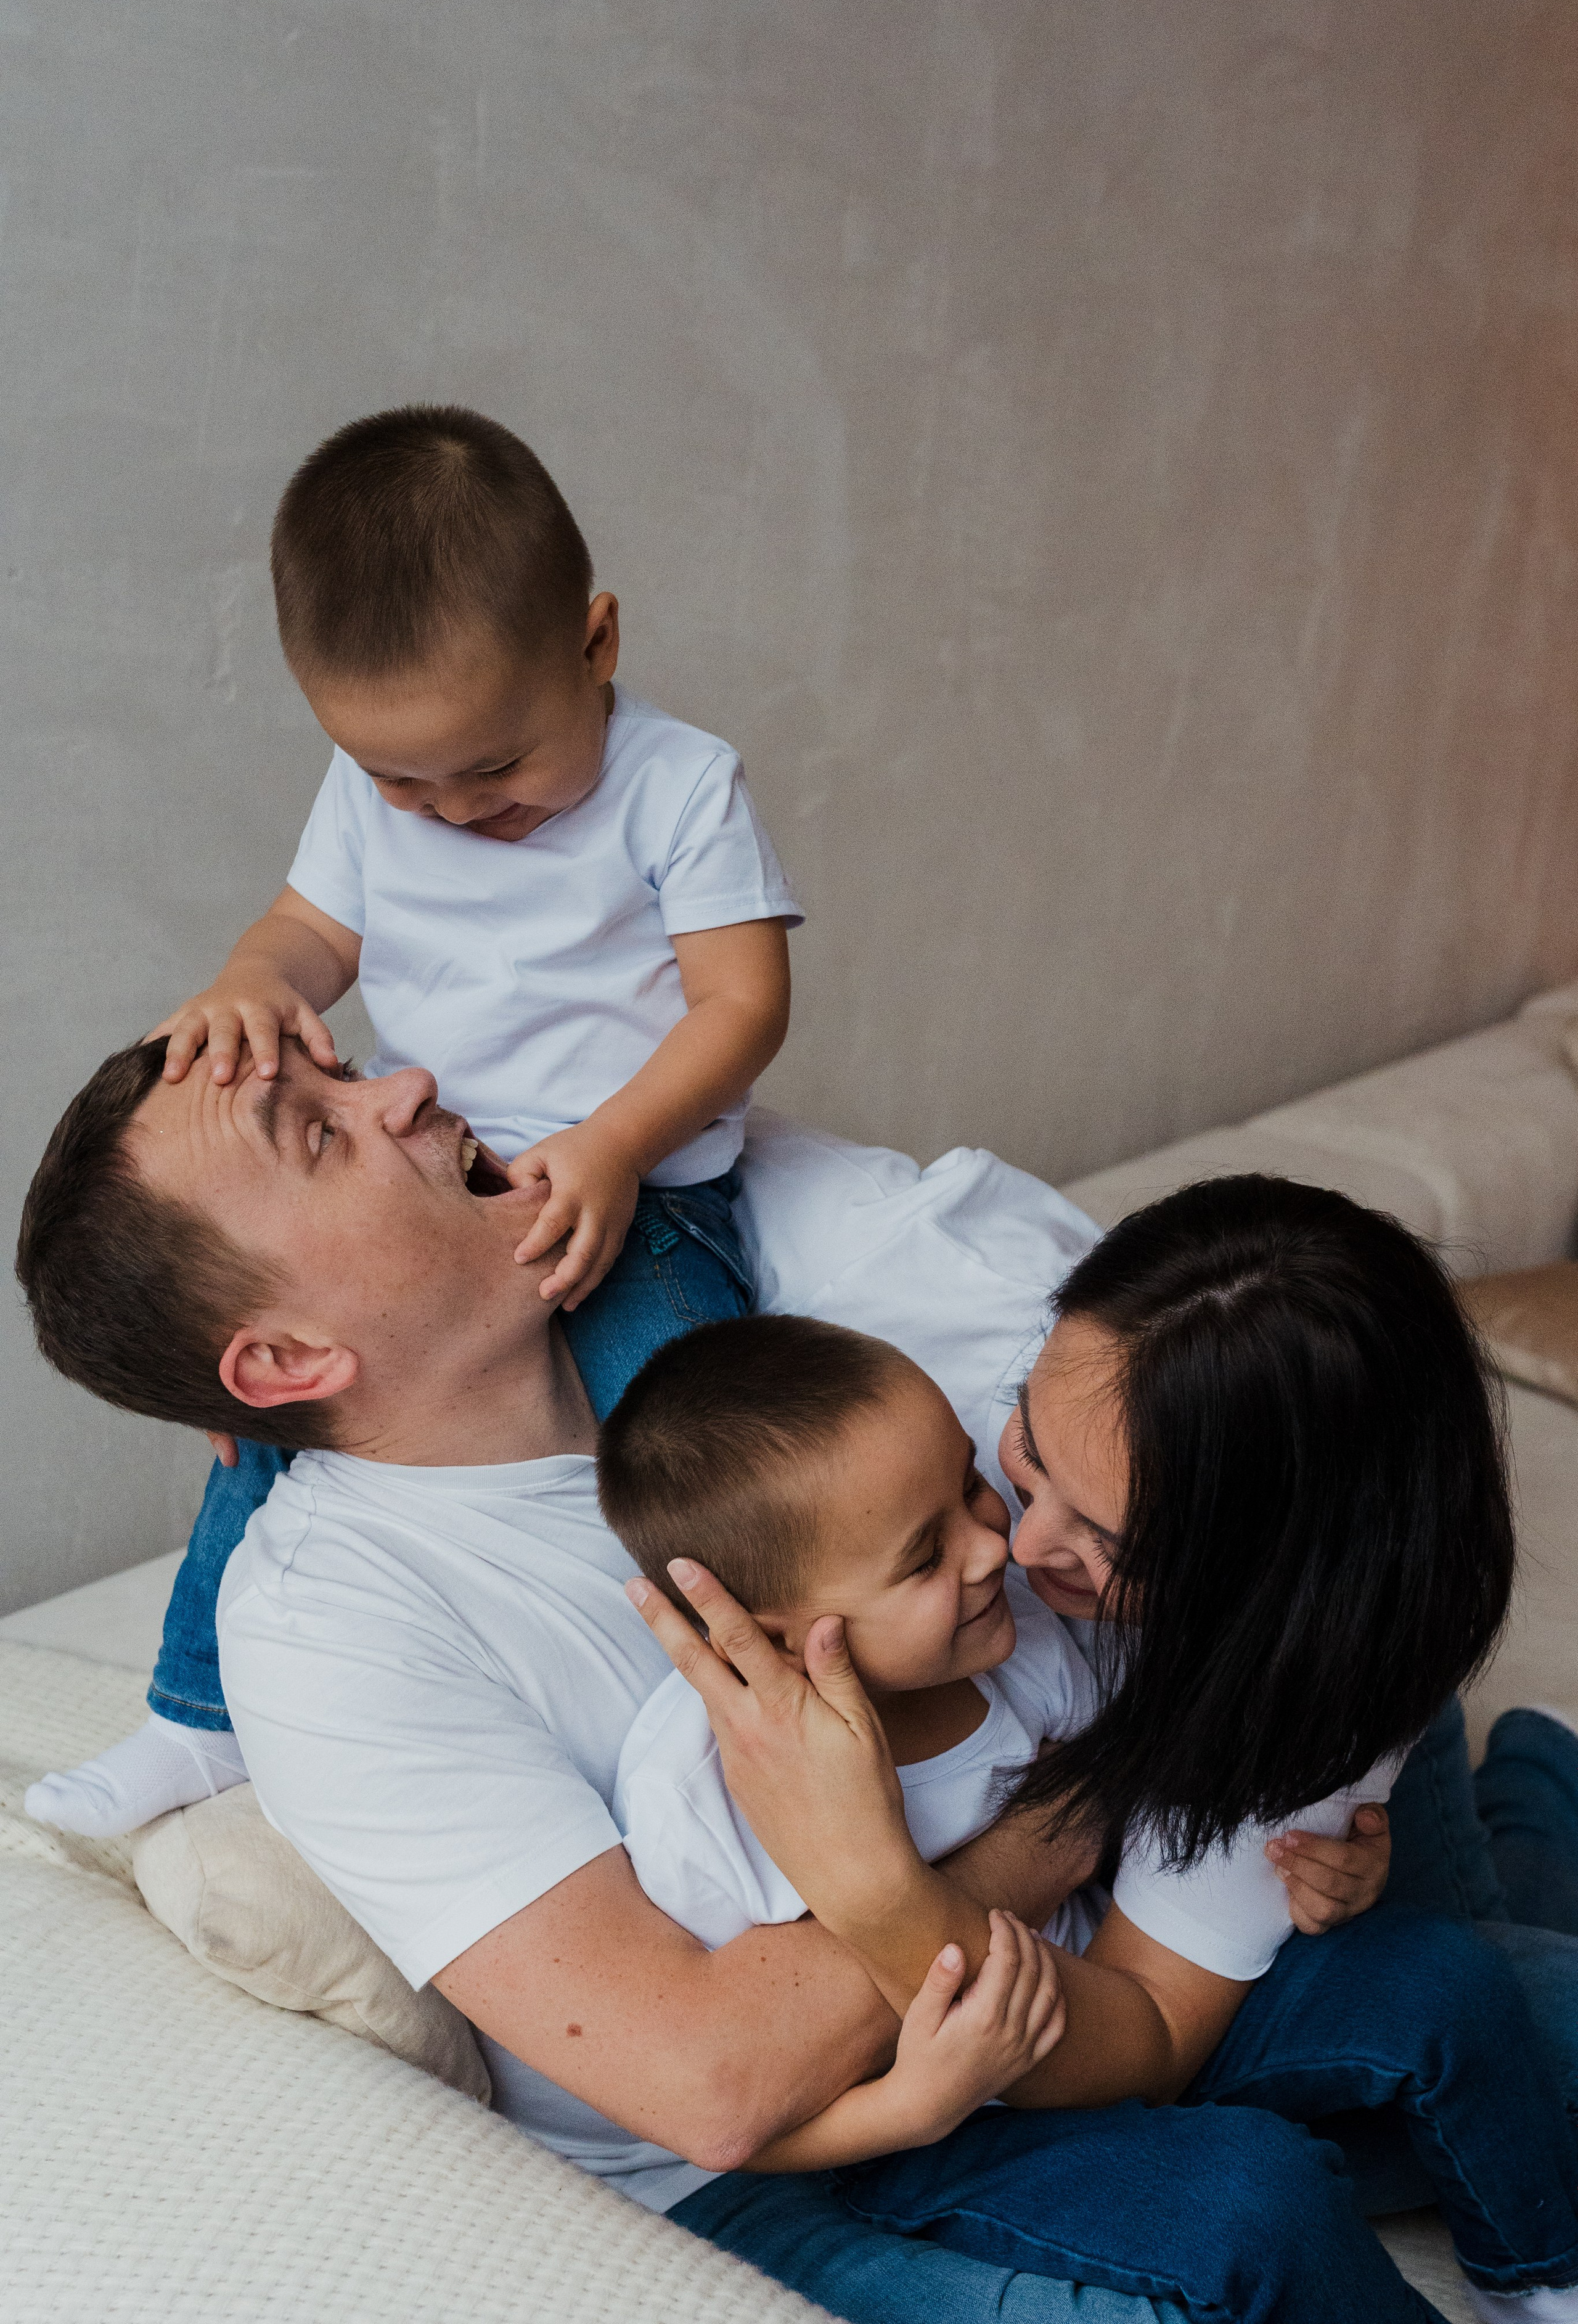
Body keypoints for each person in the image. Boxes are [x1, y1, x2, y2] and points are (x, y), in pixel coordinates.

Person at [15, 1034, 1461, 2324]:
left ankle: (1522, 1804)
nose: (407, 1084)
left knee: (1481, 1997)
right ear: (281, 1359)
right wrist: (1109, 1795)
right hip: (781, 2172)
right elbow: (713, 2081)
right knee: (1237, 2228)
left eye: (346, 1068)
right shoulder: (333, 1625)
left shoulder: (709, 1279)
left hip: (1088, 1956)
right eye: (324, 1132)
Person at [25, 403, 799, 1843]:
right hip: (432, 1178)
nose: (450, 811)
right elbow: (308, 931)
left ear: (595, 642)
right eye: (401, 779)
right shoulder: (372, 797)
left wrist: (620, 1146)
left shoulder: (678, 786)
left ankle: (745, 1727)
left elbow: (739, 1007)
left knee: (697, 1441)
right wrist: (253, 985)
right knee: (259, 1441)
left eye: (496, 769)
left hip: (634, 1193)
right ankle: (194, 1722)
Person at [606, 1311, 1578, 2318]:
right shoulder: (705, 1800)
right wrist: (904, 2106)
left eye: (971, 1484)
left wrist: (1336, 1862)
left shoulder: (1016, 1639)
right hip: (944, 2131)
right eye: (923, 1557)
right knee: (1251, 2194)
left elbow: (1161, 1836)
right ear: (771, 1634)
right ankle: (1544, 1781)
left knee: (1444, 1980)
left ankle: (1545, 2279)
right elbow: (725, 2114)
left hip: (1116, 2003)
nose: (997, 1545)